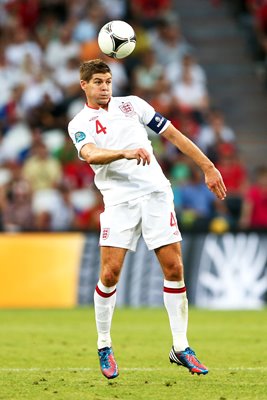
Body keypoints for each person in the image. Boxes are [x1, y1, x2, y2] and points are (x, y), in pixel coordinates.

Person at [68, 59, 227, 380]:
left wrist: (208, 166)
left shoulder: (133, 105)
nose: (105, 88)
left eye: (108, 81)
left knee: (175, 268)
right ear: (84, 85)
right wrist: (123, 153)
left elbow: (174, 135)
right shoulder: (79, 122)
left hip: (156, 194)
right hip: (119, 202)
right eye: (98, 82)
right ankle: (103, 345)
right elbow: (90, 154)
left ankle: (181, 347)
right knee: (110, 274)